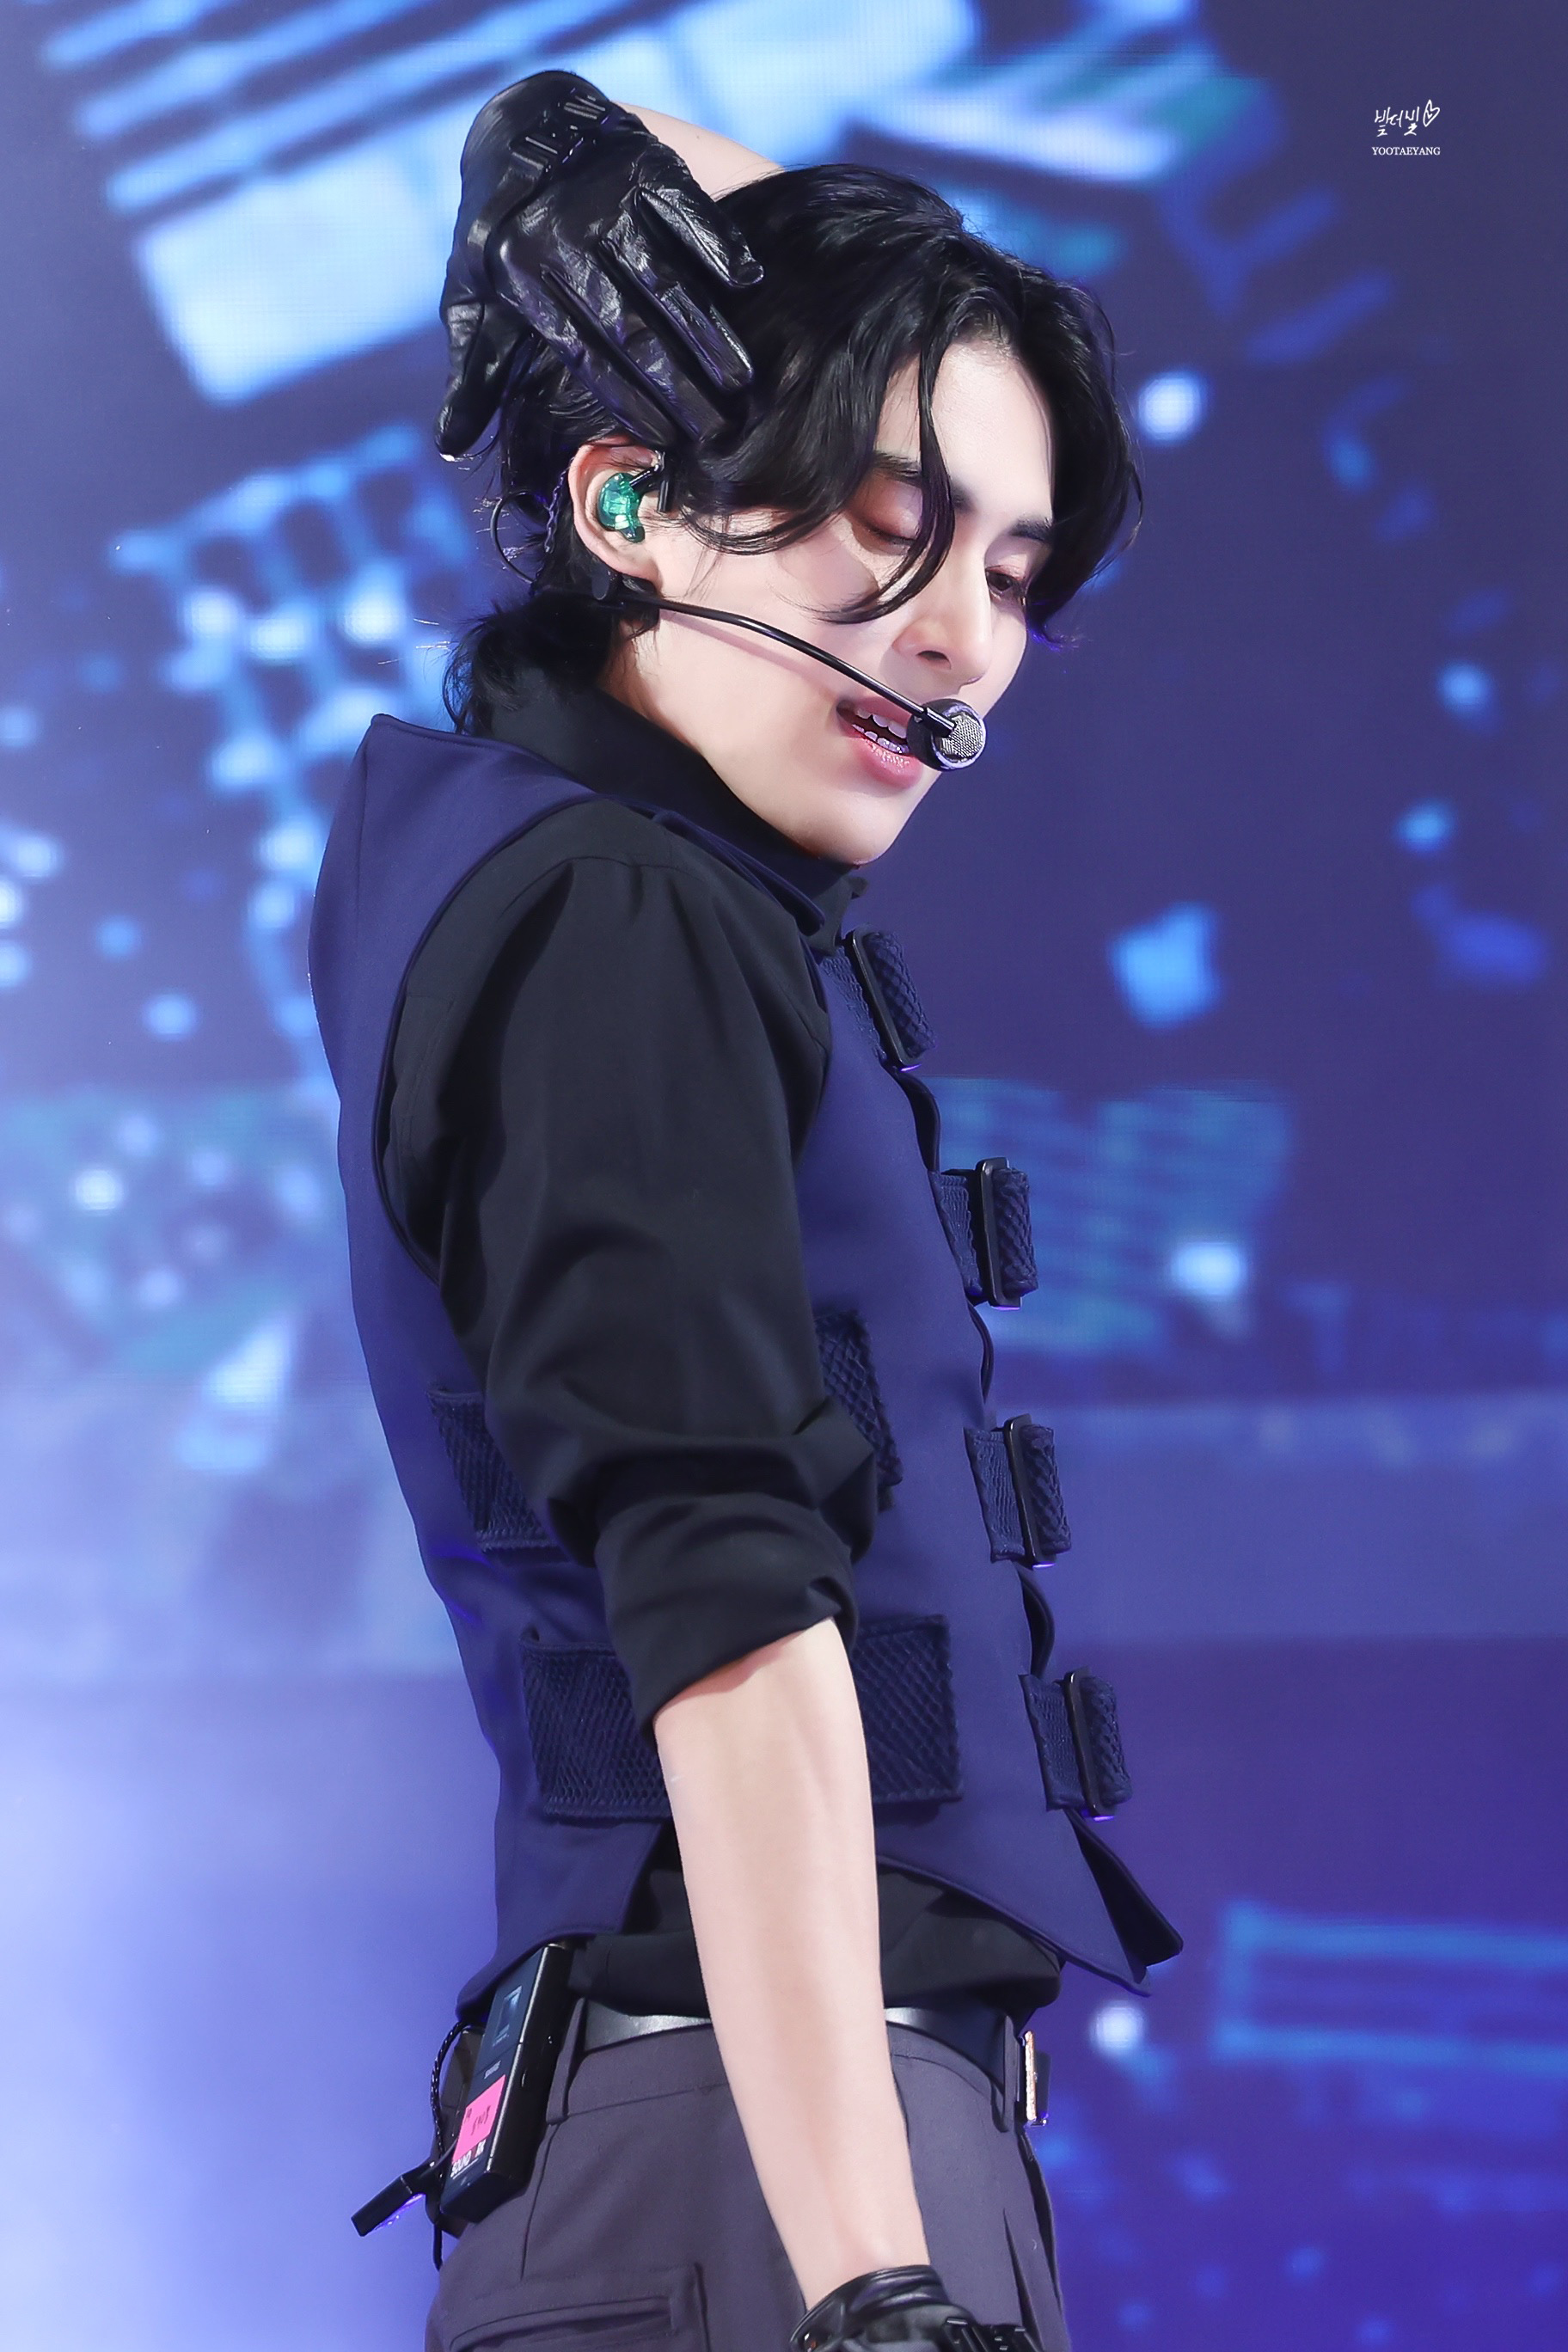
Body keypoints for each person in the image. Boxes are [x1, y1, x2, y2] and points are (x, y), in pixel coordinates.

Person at [310, 72, 1179, 2352]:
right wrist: (874, 2282)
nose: (964, 638)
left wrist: (550, 144)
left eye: (1013, 575)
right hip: (773, 2172)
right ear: (630, 503)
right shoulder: (615, 915)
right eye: (891, 532)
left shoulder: (553, 872)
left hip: (755, 2151)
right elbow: (727, 1615)